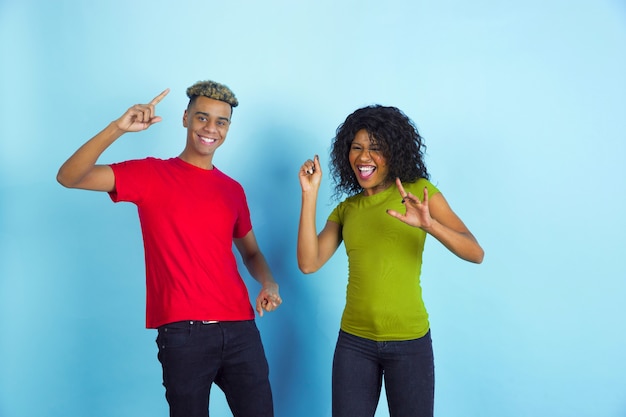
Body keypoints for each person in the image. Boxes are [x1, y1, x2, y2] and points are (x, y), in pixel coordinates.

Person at [57, 80, 282, 417]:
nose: (211, 129)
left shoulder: (232, 189)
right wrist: (117, 128)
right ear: (185, 118)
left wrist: (269, 283)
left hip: (241, 330)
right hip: (184, 334)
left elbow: (250, 252)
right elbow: (69, 177)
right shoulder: (151, 174)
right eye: (202, 118)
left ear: (228, 128)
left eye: (221, 122)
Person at [297, 105, 484, 417]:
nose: (363, 157)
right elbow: (308, 263)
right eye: (356, 148)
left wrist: (430, 225)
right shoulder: (347, 209)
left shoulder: (418, 192)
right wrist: (309, 194)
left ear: (395, 152)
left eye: (375, 148)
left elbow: (475, 252)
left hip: (409, 343)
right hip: (354, 344)